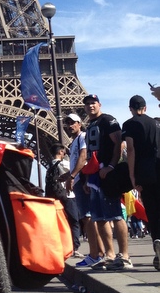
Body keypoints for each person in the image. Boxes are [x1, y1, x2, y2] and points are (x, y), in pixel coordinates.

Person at [82, 94, 132, 270]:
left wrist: (111, 166)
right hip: (95, 176)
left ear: (99, 104)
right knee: (100, 217)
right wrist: (87, 178)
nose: (90, 106)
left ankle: (124, 256)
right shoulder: (90, 126)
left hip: (106, 174)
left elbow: (119, 143)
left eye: (93, 103)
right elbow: (89, 154)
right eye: (87, 104)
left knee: (115, 214)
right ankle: (110, 255)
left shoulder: (108, 120)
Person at [122, 95, 160, 269]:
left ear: (130, 108)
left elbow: (130, 149)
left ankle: (158, 242)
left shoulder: (129, 125)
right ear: (145, 108)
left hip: (145, 172)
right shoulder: (156, 123)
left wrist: (131, 175)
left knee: (152, 210)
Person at [63, 113, 105, 264]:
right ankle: (97, 253)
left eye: (73, 123)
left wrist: (73, 176)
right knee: (87, 218)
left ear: (79, 123)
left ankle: (96, 254)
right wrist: (67, 175)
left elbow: (84, 157)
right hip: (80, 179)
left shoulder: (82, 137)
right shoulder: (74, 141)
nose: (70, 125)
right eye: (67, 123)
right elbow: (77, 162)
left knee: (88, 218)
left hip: (82, 181)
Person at [45, 143, 81, 255]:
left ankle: (60, 245)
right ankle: (75, 248)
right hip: (67, 195)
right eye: (64, 151)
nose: (65, 153)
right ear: (61, 152)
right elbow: (78, 169)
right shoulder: (64, 163)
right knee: (74, 221)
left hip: (55, 195)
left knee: (59, 221)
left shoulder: (50, 165)